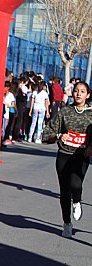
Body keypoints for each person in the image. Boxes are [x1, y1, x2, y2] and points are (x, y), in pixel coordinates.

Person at [42, 81, 92, 238]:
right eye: (76, 91)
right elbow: (46, 134)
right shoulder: (64, 112)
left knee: (75, 184)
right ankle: (67, 223)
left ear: (87, 95)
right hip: (64, 154)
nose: (78, 94)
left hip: (81, 155)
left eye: (82, 91)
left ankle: (77, 200)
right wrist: (58, 136)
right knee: (64, 191)